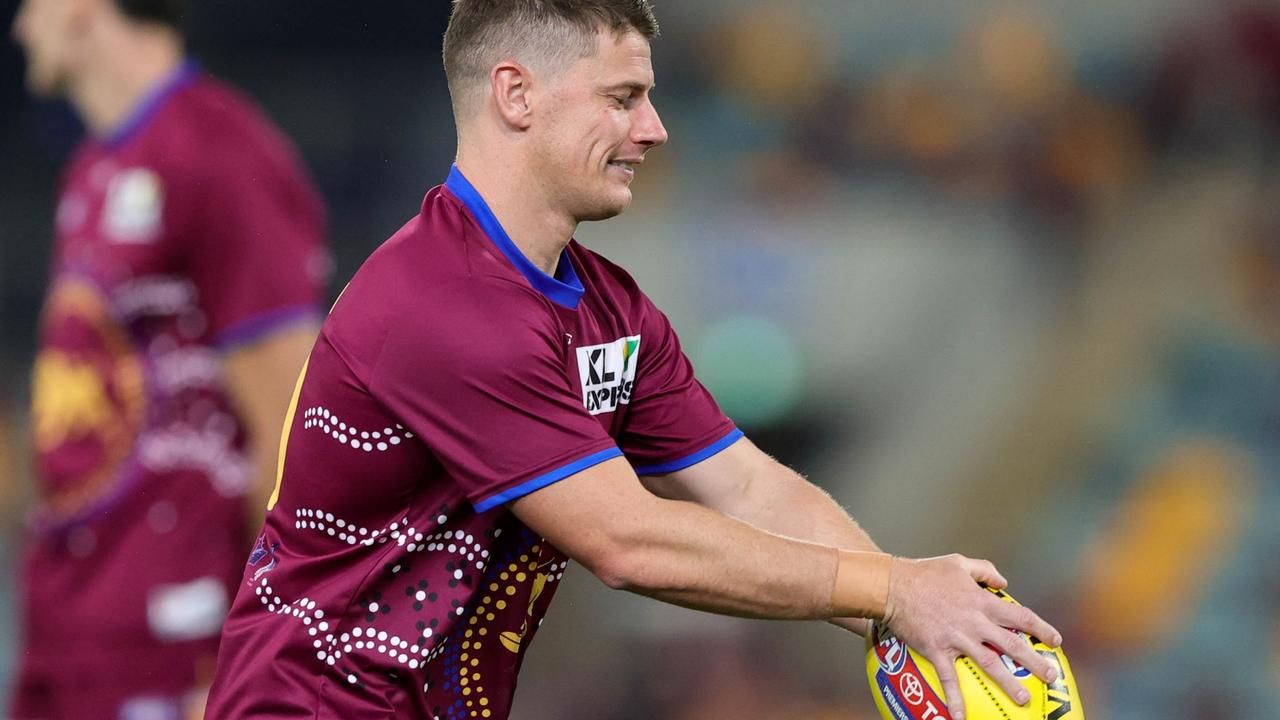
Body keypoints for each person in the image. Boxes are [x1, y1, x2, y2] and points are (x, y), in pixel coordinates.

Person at [205, 1, 1062, 719]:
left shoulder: (608, 307)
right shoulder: (442, 304)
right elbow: (627, 542)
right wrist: (890, 590)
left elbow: (749, 488)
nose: (652, 129)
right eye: (622, 97)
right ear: (516, 94)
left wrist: (905, 620)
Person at [8, 0, 329, 717]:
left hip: (177, 646)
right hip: (74, 635)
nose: (22, 25)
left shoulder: (222, 154)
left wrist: (255, 655)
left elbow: (296, 436)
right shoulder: (92, 167)